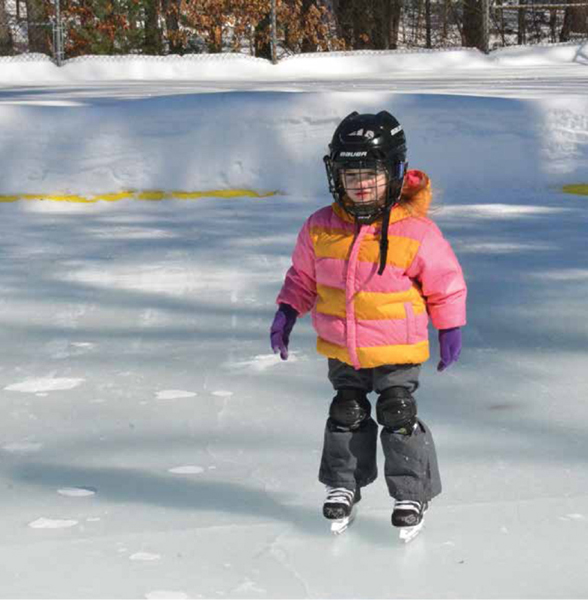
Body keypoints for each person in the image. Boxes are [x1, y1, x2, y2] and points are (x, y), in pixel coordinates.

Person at [270, 110, 467, 537]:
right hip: (343, 345)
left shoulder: (416, 231)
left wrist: (450, 327)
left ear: (393, 173)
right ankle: (343, 485)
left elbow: (446, 284)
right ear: (334, 175)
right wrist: (287, 310)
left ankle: (410, 491)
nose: (360, 184)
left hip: (398, 345)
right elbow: (302, 279)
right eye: (350, 173)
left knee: (397, 411)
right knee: (347, 411)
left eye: (370, 174)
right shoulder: (320, 228)